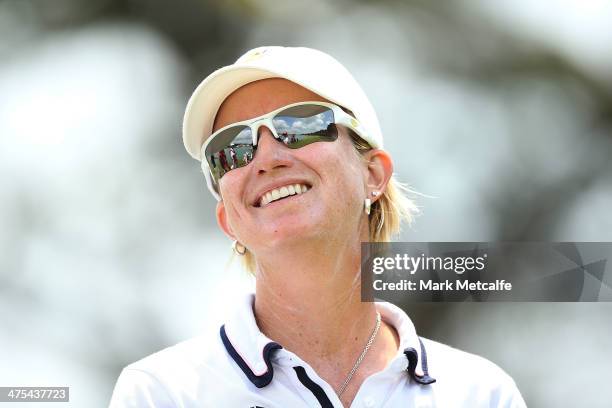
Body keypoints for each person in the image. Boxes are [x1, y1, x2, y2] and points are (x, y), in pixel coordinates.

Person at [109, 46, 526, 407]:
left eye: (301, 124)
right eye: (231, 149)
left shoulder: (480, 394)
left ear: (373, 175)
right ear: (228, 220)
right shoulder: (161, 394)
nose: (266, 157)